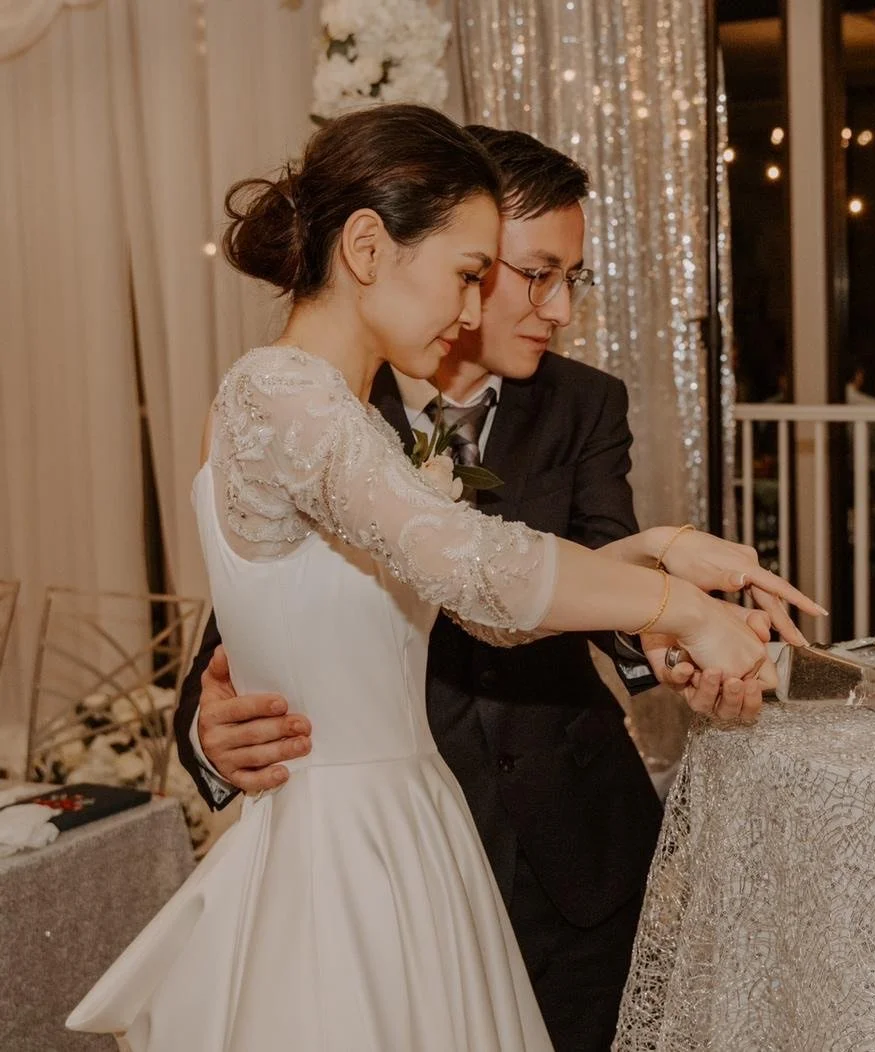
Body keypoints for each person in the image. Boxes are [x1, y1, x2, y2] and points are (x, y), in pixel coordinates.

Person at [66, 104, 798, 1050]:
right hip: (347, 847)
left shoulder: (378, 421)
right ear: (368, 247)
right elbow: (478, 567)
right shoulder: (276, 393)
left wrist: (652, 552)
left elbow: (486, 611)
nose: (472, 307)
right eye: (474, 275)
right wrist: (682, 606)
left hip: (441, 837)